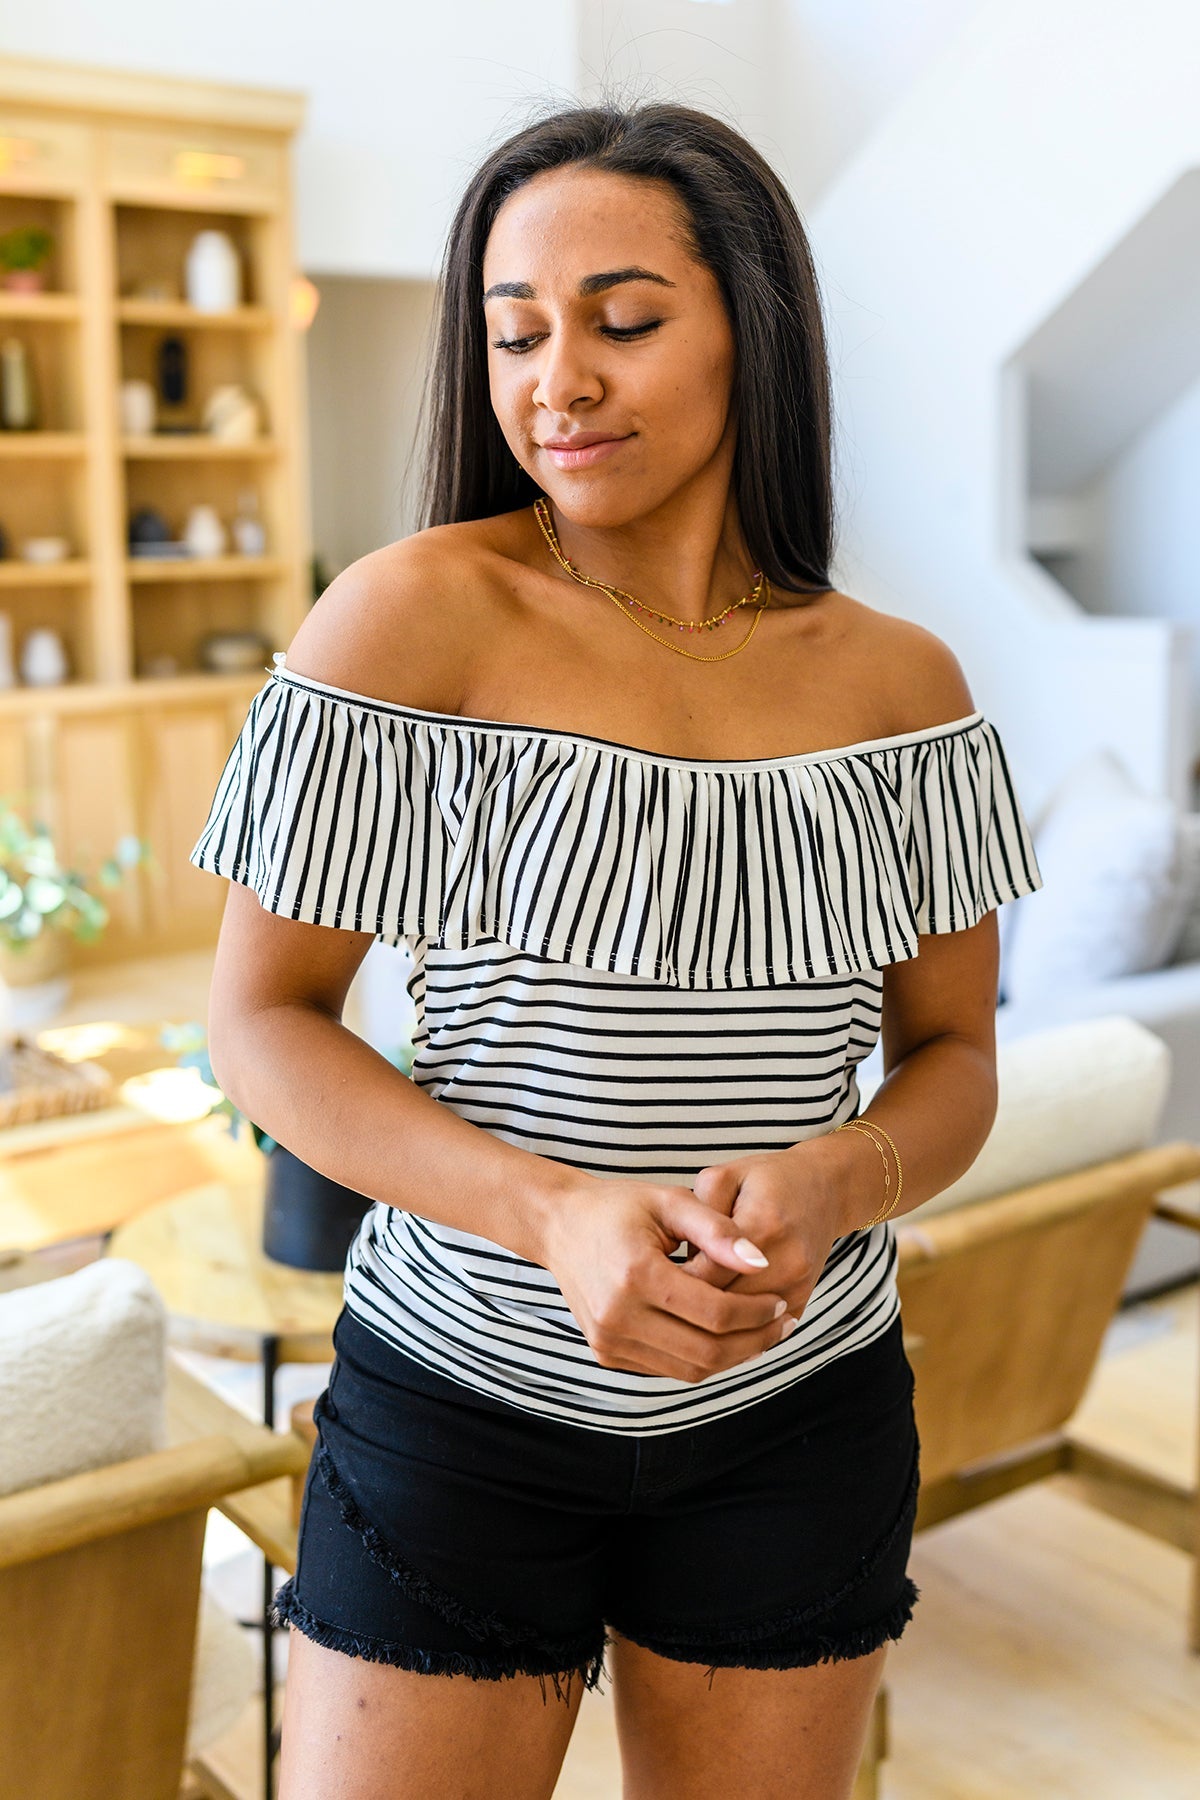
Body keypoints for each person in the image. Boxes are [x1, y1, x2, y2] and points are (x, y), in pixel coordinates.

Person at [191, 100, 1043, 1800]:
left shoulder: (903, 685)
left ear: (752, 328)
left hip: (800, 1419)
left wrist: (838, 1179)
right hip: (458, 1406)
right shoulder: (409, 617)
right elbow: (262, 1022)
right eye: (515, 336)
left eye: (623, 321)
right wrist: (552, 1213)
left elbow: (956, 1061)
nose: (556, 382)